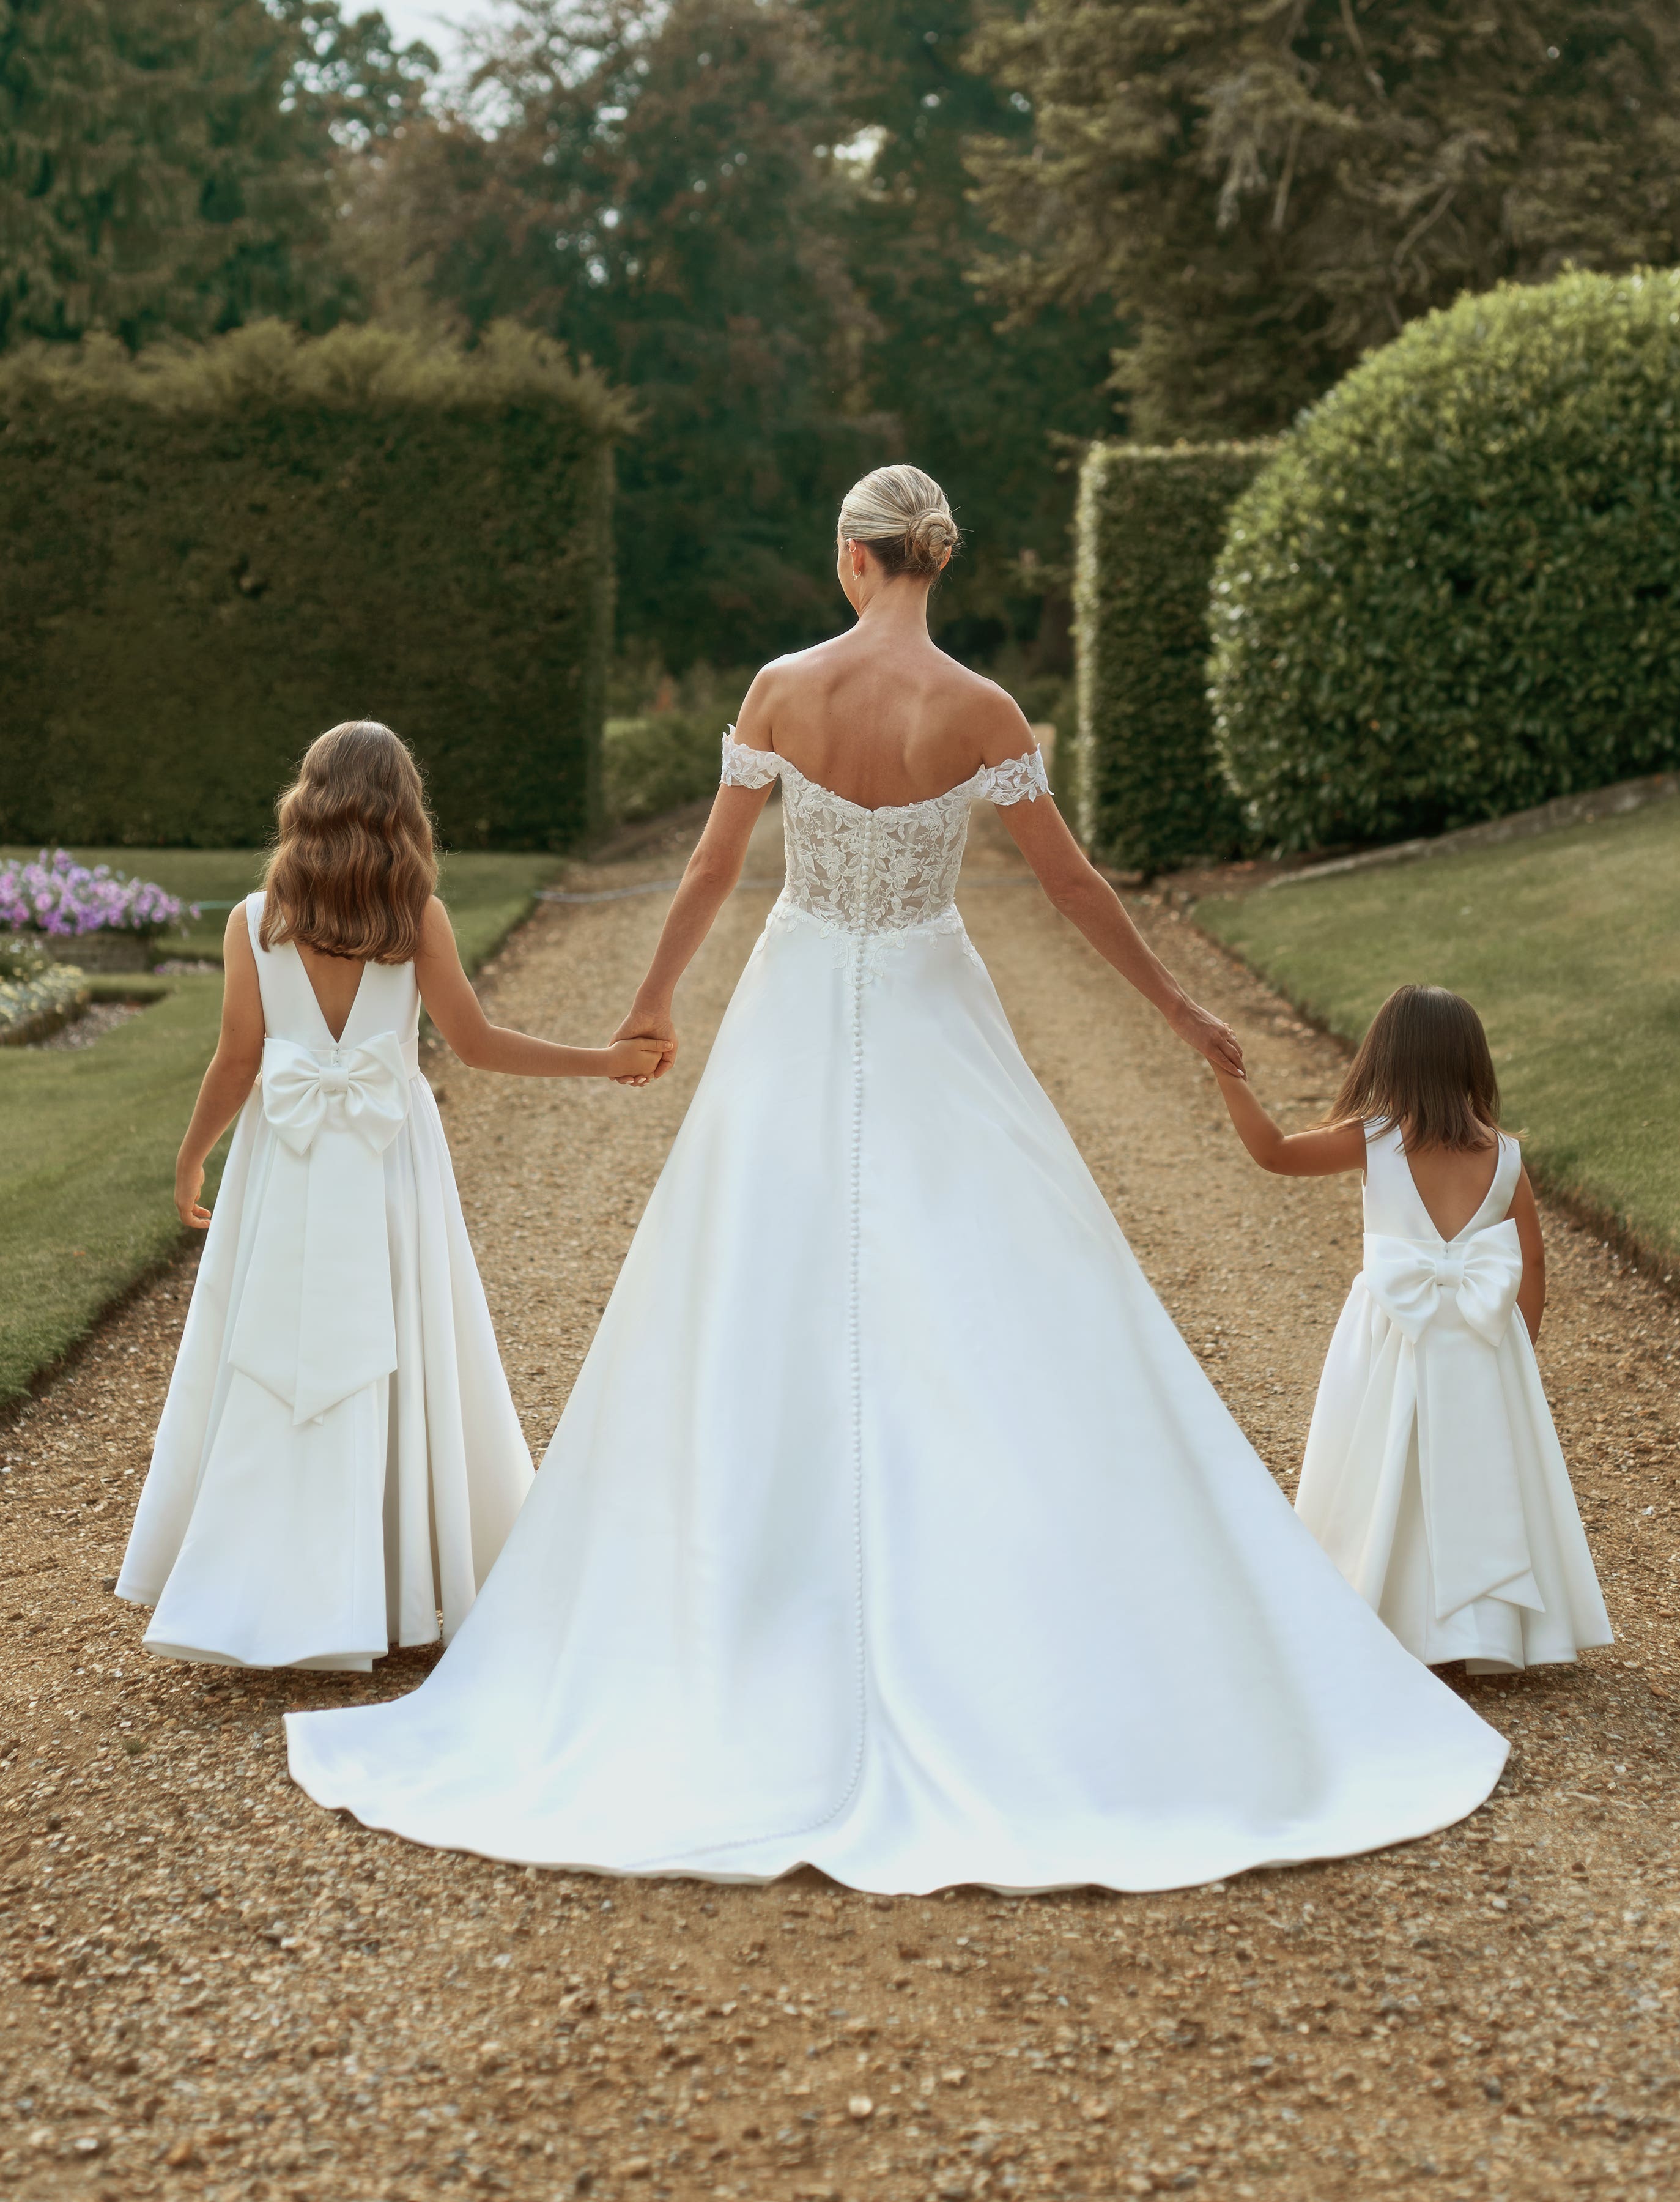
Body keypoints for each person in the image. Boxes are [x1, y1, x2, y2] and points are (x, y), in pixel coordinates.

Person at [286, 469, 1506, 1892]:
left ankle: (743, 1614)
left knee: (750, 1291)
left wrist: (655, 1007)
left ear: (858, 561)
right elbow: (1072, 888)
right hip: (932, 1000)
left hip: (798, 999)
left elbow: (710, 867)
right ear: (935, 563)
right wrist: (1181, 1014)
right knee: (1005, 1290)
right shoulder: (983, 712)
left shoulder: (782, 688)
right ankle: (1011, 1614)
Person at [117, 721, 665, 1670]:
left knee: (274, 1353)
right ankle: (398, 1578)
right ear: (402, 811)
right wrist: (602, 1063)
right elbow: (479, 1044)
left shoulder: (253, 919)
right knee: (401, 1347)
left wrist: (193, 1154)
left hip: (281, 1163)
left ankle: (263, 1587)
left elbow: (239, 1059)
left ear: (308, 800)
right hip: (386, 1163)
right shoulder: (417, 917)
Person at [1213, 984, 1610, 1673]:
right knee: (1483, 1473)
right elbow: (1533, 1260)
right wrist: (1517, 1347)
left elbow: (1273, 1152)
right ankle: (1487, 1629)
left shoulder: (1374, 1143)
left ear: (1387, 1060)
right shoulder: (1505, 1157)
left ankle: (1389, 1613)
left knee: (1387, 1463)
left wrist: (1229, 1076)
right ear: (1471, 1063)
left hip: (1395, 1334)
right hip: (1483, 1338)